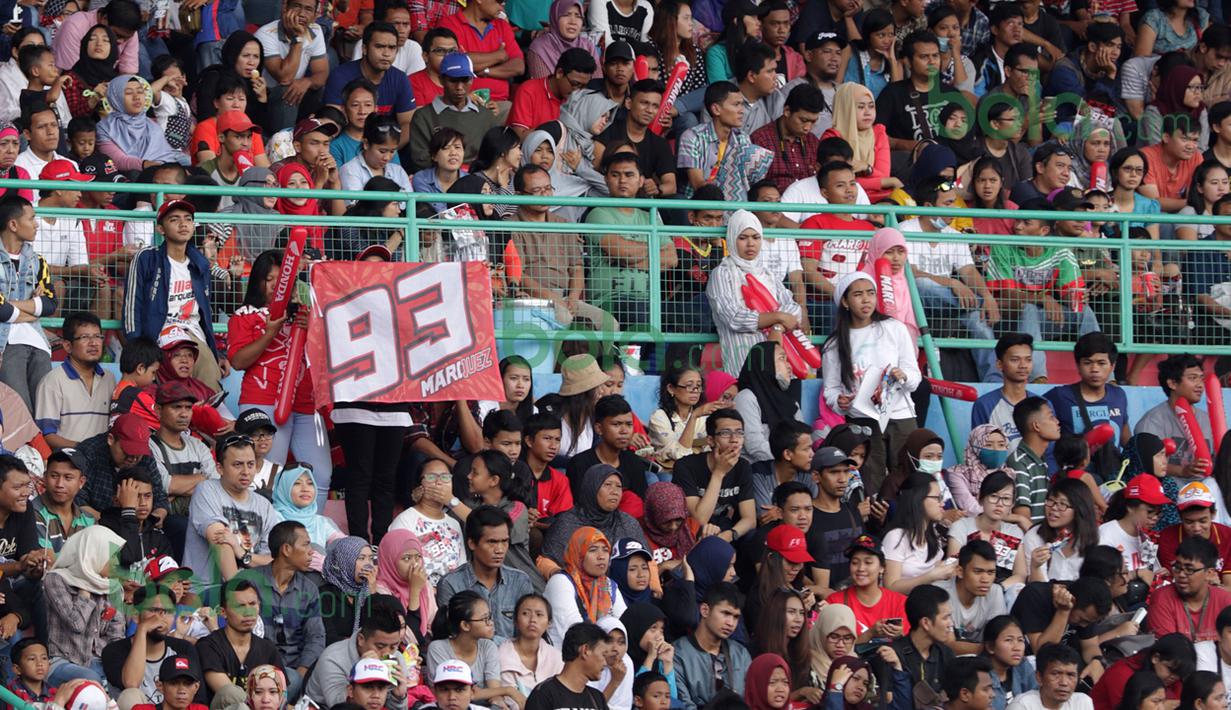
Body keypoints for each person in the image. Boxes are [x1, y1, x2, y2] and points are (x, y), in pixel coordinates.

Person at [227, 250, 332, 492]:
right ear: (257, 281)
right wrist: (270, 333)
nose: (276, 286)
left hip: (306, 404)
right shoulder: (244, 316)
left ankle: (309, 528)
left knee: (321, 476)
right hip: (262, 401)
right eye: (269, 279)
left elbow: (325, 355)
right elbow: (239, 361)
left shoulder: (306, 313)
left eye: (281, 280)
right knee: (267, 476)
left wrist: (314, 329)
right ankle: (270, 529)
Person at [822, 268, 921, 495]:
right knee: (870, 481)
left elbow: (914, 375)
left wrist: (903, 376)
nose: (866, 300)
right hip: (863, 419)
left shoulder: (894, 328)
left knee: (908, 478)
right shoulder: (835, 344)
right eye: (858, 295)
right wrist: (840, 401)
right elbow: (831, 389)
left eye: (870, 293)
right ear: (845, 302)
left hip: (901, 415)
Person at [123, 201, 222, 391]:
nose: (183, 224)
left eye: (188, 219)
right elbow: (132, 305)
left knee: (210, 379)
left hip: (192, 333)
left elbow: (205, 313)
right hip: (159, 332)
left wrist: (216, 353)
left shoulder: (199, 263)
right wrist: (137, 346)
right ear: (161, 228)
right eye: (174, 219)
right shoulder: (146, 258)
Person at [706, 209, 803, 379]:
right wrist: (778, 317)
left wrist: (777, 328)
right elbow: (734, 317)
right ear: (731, 239)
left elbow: (794, 309)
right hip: (744, 365)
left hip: (778, 368)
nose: (750, 244)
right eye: (743, 238)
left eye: (756, 237)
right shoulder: (722, 273)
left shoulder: (767, 274)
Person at [184, 435, 281, 586]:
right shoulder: (207, 490)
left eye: (250, 464)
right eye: (237, 465)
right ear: (219, 468)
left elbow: (273, 561)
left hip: (250, 593)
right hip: (206, 590)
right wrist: (236, 589)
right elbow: (220, 540)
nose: (246, 471)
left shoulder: (264, 505)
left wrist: (241, 553)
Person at [436, 505, 535, 643]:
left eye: (504, 541)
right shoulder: (451, 584)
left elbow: (529, 635)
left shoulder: (520, 581)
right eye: (492, 542)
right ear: (472, 543)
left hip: (513, 662)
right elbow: (455, 638)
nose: (500, 549)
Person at [43, 525, 127, 687]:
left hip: (101, 662)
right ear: (93, 554)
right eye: (112, 555)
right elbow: (76, 624)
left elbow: (116, 637)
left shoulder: (113, 588)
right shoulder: (56, 579)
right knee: (92, 680)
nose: (116, 562)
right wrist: (84, 595)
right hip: (64, 661)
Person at [0, 195, 57, 414]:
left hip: (37, 342)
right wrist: (32, 307)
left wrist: (11, 304)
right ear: (13, 224)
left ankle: (41, 450)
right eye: (32, 218)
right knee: (19, 411)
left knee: (44, 412)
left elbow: (50, 304)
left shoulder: (37, 261)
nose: (36, 224)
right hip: (6, 345)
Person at [101, 584, 200, 710]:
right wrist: (142, 629)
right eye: (154, 610)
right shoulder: (114, 651)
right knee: (130, 695)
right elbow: (131, 683)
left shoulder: (184, 649)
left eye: (168, 612)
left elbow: (197, 697)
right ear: (136, 615)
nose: (160, 617)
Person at [304, 594, 409, 710]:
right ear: (361, 639)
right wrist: (361, 671)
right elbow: (337, 705)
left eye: (393, 646)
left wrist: (398, 696)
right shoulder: (333, 658)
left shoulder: (397, 658)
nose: (387, 653)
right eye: (380, 646)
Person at [673, 409, 756, 543]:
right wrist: (719, 473)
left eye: (739, 433)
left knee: (752, 536)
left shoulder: (743, 466)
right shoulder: (686, 466)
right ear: (710, 440)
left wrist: (730, 534)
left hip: (727, 530)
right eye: (725, 433)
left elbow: (750, 519)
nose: (734, 439)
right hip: (694, 531)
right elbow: (699, 519)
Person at [674, 582, 751, 710]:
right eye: (725, 613)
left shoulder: (740, 654)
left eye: (736, 617)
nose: (731, 623)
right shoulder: (678, 654)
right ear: (705, 610)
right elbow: (682, 705)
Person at [545, 526, 627, 645]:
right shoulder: (560, 581)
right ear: (578, 553)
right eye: (593, 550)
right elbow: (574, 630)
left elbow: (624, 625)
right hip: (565, 656)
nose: (601, 556)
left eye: (605, 550)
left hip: (601, 652)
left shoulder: (608, 584)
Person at [1136, 354, 1214, 480]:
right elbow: (1146, 463)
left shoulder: (1207, 420)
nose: (1200, 385)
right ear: (1172, 383)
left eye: (1201, 378)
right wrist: (1182, 471)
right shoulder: (1152, 421)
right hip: (1168, 488)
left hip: (1204, 489)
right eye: (1193, 378)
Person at [945, 472, 1027, 584]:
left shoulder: (1014, 532)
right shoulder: (961, 528)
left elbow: (1020, 574)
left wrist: (998, 590)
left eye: (1006, 499)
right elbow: (952, 570)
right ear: (980, 499)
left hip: (1002, 591)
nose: (999, 504)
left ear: (1012, 505)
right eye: (993, 496)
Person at [1148, 536, 1231, 641]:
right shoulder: (1161, 598)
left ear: (1209, 573)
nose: (1181, 574)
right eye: (1177, 567)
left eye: (1189, 569)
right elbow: (1170, 652)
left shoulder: (1226, 601)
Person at [95, 75, 184, 171]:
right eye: (128, 93)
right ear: (116, 98)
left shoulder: (153, 126)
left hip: (160, 174)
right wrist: (147, 165)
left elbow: (167, 157)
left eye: (140, 92)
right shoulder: (104, 127)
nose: (136, 97)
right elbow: (117, 160)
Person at [1022, 478, 1101, 583]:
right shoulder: (1034, 536)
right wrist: (1035, 566)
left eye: (1062, 504)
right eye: (1051, 501)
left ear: (1080, 509)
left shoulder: (1098, 538)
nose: (1054, 508)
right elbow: (1037, 589)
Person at [937, 540, 1008, 655]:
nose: (985, 579)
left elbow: (999, 635)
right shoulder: (940, 593)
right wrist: (990, 650)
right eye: (978, 571)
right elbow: (948, 644)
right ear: (960, 571)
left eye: (990, 572)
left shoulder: (995, 592)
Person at [1091, 634, 1195, 708]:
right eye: (1171, 669)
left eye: (1180, 674)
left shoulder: (1173, 680)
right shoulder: (1122, 674)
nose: (1174, 677)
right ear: (1156, 658)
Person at [524, 623, 611, 710]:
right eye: (603, 655)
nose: (605, 663)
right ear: (585, 651)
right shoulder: (543, 694)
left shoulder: (597, 698)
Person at [1158, 481, 1231, 584]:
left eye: (1203, 521)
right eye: (1189, 522)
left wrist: (1216, 588)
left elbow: (1229, 588)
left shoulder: (1228, 536)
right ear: (1180, 518)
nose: (1196, 528)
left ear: (1213, 514)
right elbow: (1179, 584)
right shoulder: (1167, 537)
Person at [890, 584, 956, 694]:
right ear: (925, 623)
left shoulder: (946, 654)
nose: (951, 624)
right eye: (945, 618)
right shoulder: (894, 655)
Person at [1009, 397, 1063, 526]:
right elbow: (1022, 517)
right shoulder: (1019, 463)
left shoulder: (1039, 460)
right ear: (1036, 426)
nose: (1057, 422)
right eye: (1051, 417)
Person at [374, 528, 433, 644]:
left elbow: (434, 623)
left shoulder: (424, 583)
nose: (415, 564)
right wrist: (414, 591)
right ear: (389, 559)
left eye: (418, 557)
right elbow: (409, 638)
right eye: (406, 558)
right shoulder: (380, 592)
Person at [499, 593, 563, 696]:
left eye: (539, 614)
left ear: (549, 623)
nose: (532, 620)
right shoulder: (503, 654)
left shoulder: (556, 658)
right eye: (525, 613)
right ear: (515, 620)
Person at [31, 448, 93, 553]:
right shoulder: (32, 512)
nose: (59, 484)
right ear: (45, 477)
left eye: (68, 478)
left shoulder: (88, 520)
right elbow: (48, 562)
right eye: (54, 476)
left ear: (81, 482)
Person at [318, 536, 376, 646]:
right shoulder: (324, 596)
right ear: (344, 561)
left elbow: (379, 630)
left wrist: (372, 594)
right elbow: (326, 637)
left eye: (370, 558)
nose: (368, 564)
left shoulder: (369, 591)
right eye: (362, 558)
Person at [982, 616, 1037, 710]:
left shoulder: (1023, 666)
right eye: (1009, 640)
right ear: (990, 647)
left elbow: (1035, 700)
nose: (1017, 647)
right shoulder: (979, 675)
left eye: (1020, 640)